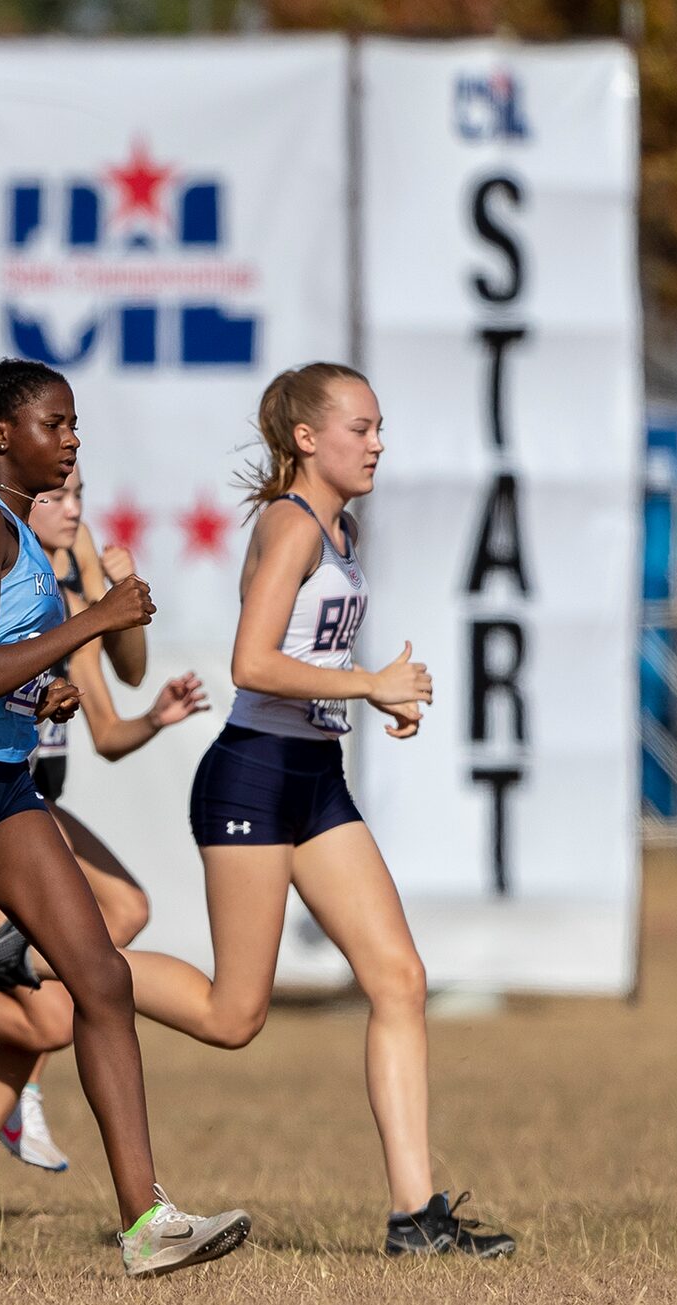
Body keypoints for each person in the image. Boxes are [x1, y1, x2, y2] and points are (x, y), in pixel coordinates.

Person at [0, 358, 249, 1276]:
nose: (72, 442)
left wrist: (37, 685)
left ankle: (147, 1226)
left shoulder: (9, 529)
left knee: (99, 982)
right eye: (55, 425)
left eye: (74, 426)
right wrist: (89, 622)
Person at [123, 362, 509, 1258]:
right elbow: (251, 664)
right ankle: (58, 950)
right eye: (359, 428)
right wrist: (367, 684)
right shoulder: (289, 526)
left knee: (398, 980)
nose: (377, 443)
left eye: (379, 427)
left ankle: (417, 1219)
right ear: (305, 438)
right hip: (253, 775)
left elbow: (307, 663)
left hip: (314, 776)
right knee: (232, 1017)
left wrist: (369, 698)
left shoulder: (341, 526)